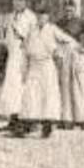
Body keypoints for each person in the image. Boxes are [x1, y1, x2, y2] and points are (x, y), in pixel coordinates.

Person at [14, 10, 77, 138]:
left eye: (44, 15)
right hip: (34, 66)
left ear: (48, 17)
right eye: (39, 15)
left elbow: (69, 41)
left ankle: (47, 125)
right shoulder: (32, 30)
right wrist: (23, 69)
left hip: (47, 65)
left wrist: (60, 52)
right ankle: (27, 124)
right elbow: (25, 47)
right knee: (31, 94)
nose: (41, 18)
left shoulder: (52, 29)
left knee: (48, 95)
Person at [56, 0, 84, 130]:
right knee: (64, 88)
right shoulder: (59, 24)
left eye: (71, 10)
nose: (68, 13)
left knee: (80, 87)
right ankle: (66, 119)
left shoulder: (81, 22)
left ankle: (83, 118)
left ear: (75, 10)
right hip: (63, 57)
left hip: (77, 56)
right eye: (66, 10)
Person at [0, 0, 35, 134]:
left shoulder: (30, 17)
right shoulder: (12, 16)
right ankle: (13, 119)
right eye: (14, 0)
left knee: (22, 89)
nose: (16, 3)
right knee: (11, 90)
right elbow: (8, 38)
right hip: (13, 56)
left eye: (20, 0)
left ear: (25, 2)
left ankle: (25, 122)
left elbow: (28, 37)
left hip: (23, 56)